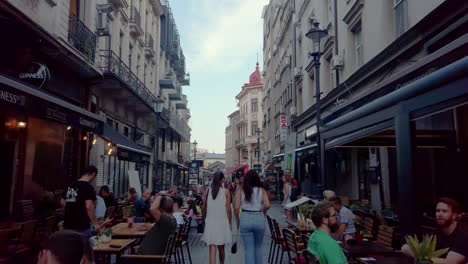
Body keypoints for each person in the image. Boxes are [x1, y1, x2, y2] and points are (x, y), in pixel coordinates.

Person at [402, 198, 468, 264]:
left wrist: (417, 255)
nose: (439, 214)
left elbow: (450, 262)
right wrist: (411, 249)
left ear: (454, 216)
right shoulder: (437, 233)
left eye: (444, 211)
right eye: (438, 211)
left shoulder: (463, 235)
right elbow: (420, 249)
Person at [234, 170, 271, 264]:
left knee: (248, 249)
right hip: (259, 217)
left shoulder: (241, 190)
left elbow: (236, 207)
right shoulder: (261, 190)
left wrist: (237, 219)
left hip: (245, 218)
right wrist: (263, 211)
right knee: (258, 247)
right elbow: (267, 205)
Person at [61, 166, 101, 237]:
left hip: (67, 225)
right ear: (93, 174)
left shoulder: (70, 185)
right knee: (83, 247)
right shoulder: (88, 187)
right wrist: (95, 223)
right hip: (82, 227)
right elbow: (89, 206)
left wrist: (71, 209)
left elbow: (63, 202)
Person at [202, 171, 232, 264]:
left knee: (212, 249)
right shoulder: (226, 192)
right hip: (222, 222)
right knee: (221, 247)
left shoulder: (207, 191)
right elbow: (228, 209)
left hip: (210, 222)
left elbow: (204, 207)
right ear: (222, 179)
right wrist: (230, 222)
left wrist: (204, 219)